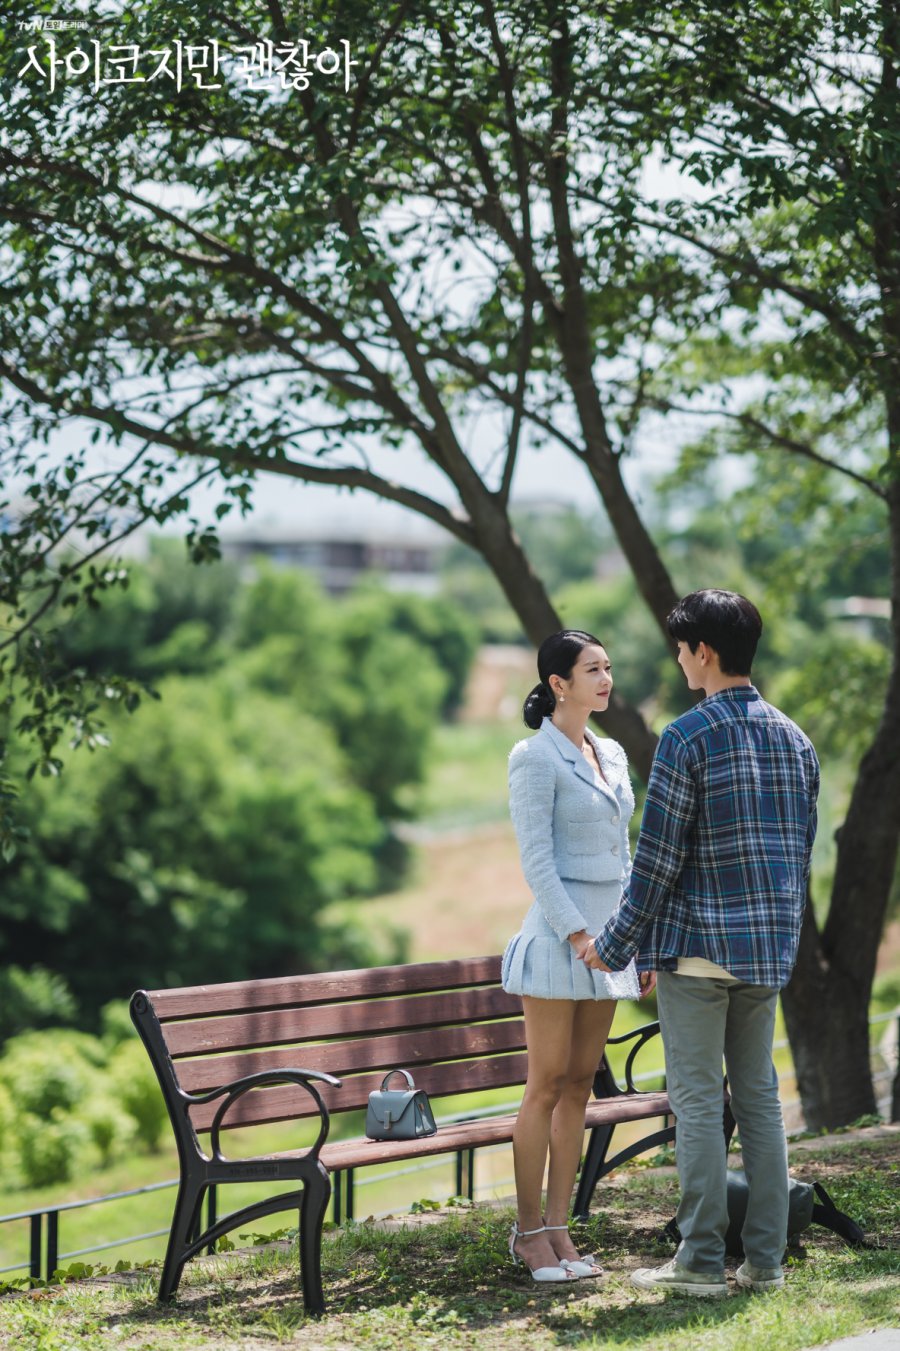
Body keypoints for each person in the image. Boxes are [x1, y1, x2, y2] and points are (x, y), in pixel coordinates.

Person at [583, 589, 820, 1297]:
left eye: (682, 648)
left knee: (693, 1102)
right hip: (766, 951)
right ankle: (767, 1262)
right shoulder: (796, 738)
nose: (680, 659)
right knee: (759, 1101)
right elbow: (799, 856)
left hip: (697, 951)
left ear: (703, 652)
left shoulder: (687, 736)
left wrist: (615, 943)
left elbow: (656, 861)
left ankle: (700, 1261)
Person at [502, 629, 653, 1284]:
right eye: (592, 669)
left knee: (578, 1087)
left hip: (611, 942)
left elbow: (625, 860)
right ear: (557, 682)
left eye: (608, 667)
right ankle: (528, 1231)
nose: (605, 678)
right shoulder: (532, 757)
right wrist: (577, 935)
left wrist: (632, 939)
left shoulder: (613, 752)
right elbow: (537, 860)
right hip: (559, 941)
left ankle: (561, 1229)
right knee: (545, 1083)